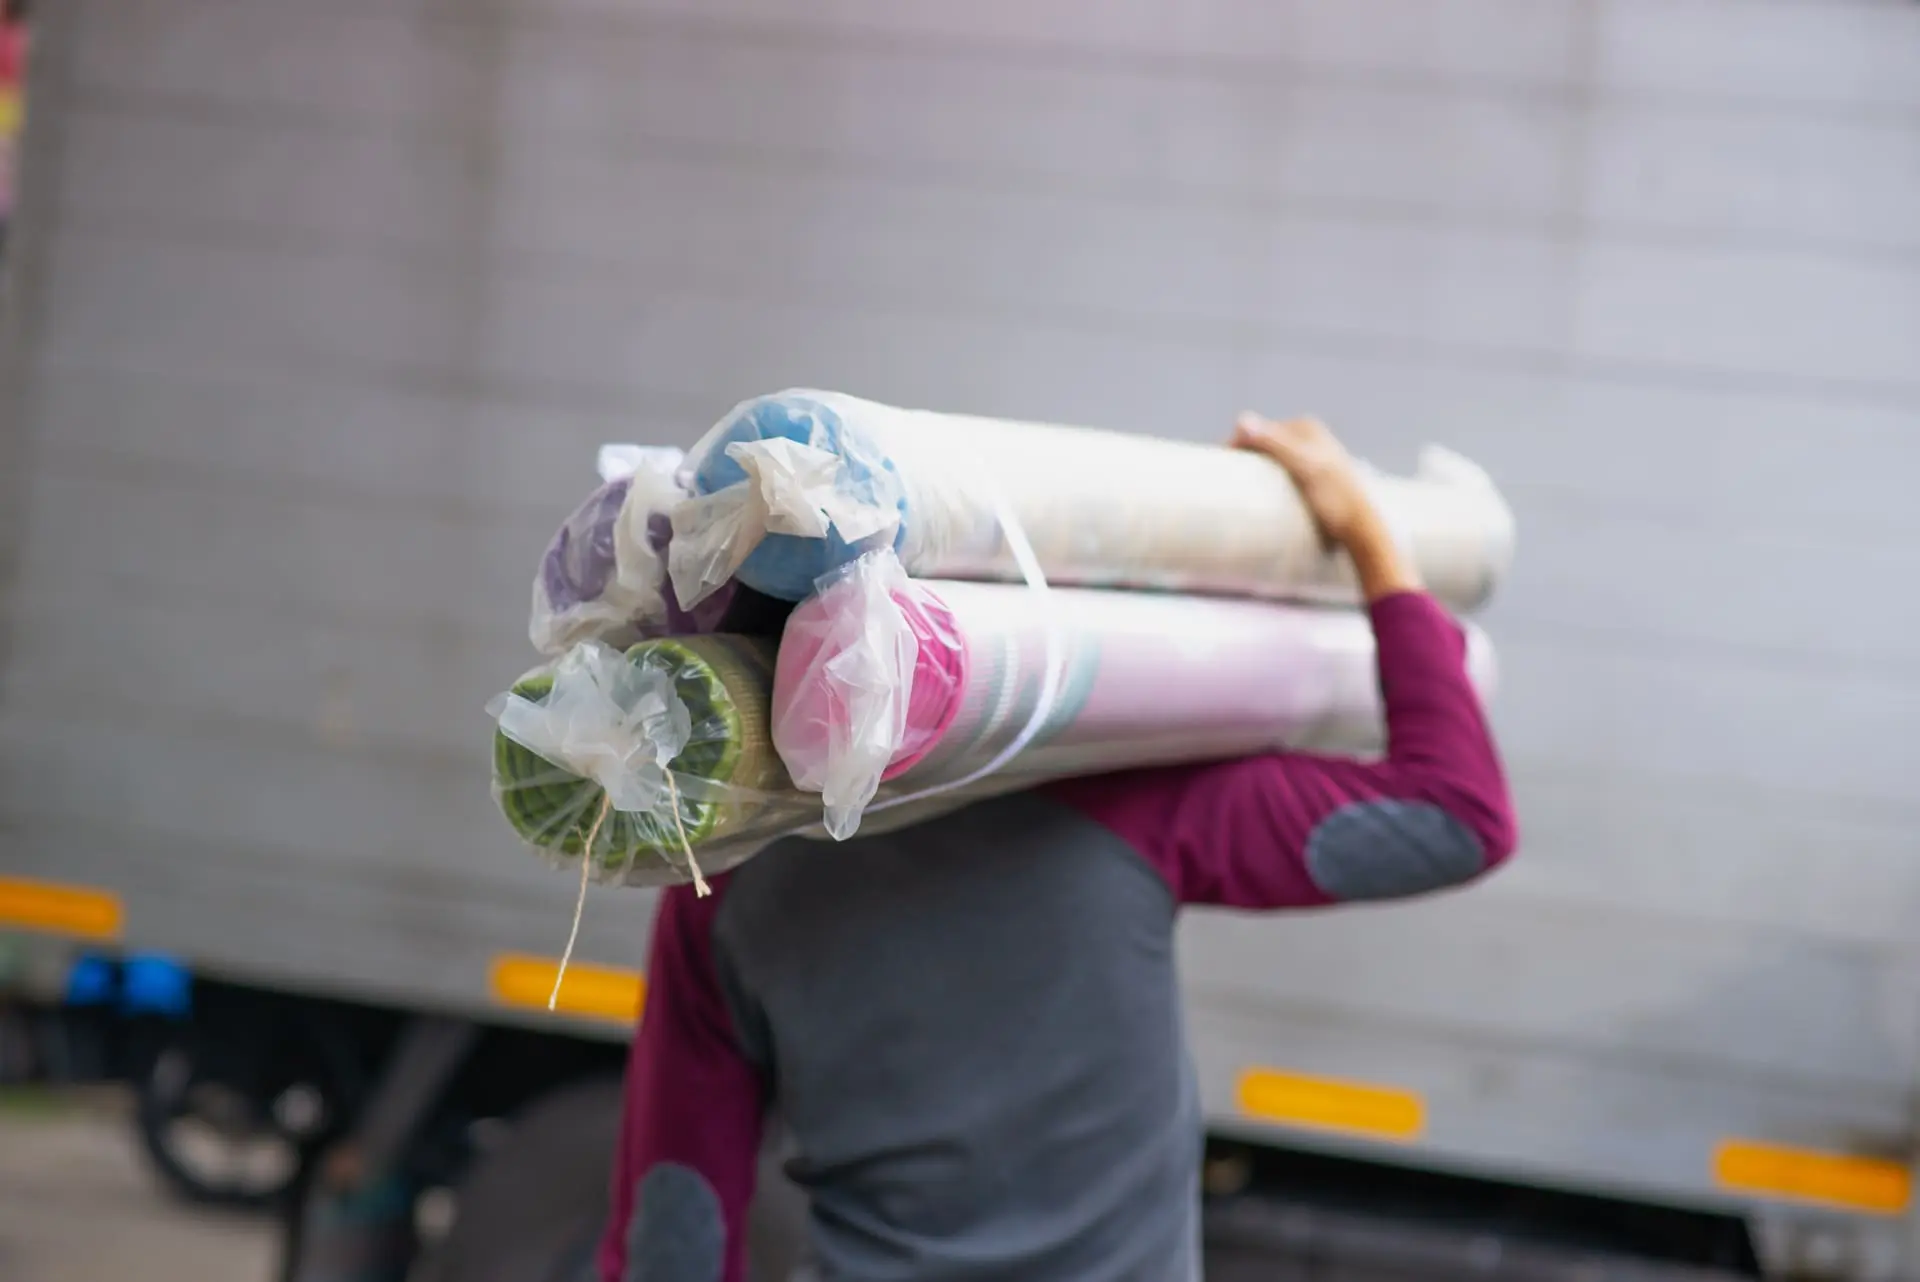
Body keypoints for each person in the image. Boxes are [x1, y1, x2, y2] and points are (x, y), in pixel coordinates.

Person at [599, 414, 1519, 1282]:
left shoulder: (722, 887)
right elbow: (1452, 814)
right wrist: (1370, 538)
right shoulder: (1125, 799)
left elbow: (677, 1231)